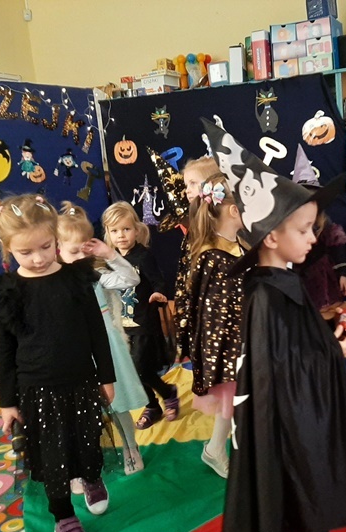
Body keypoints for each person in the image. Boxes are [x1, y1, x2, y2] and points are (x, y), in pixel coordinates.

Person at [203, 119, 346, 532]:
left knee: (315, 476)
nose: (312, 238)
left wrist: (331, 335)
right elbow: (274, 369)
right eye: (304, 230)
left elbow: (300, 342)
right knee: (270, 486)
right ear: (271, 236)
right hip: (276, 419)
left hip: (306, 411)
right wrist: (332, 351)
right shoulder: (265, 296)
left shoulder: (287, 280)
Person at [0, 194, 114, 532]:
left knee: (86, 437)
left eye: (45, 247)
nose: (39, 258)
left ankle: (90, 477)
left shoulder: (75, 279)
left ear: (56, 237)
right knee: (52, 454)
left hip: (81, 381)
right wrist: (7, 402)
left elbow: (96, 331)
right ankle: (64, 516)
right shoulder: (9, 292)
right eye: (26, 253)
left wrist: (106, 376)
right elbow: (3, 351)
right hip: (37, 389)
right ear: (8, 249)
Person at [56, 202, 148, 476]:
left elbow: (131, 279)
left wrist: (109, 254)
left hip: (107, 349)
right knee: (82, 409)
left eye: (85, 251)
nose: (79, 258)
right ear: (58, 248)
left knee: (118, 404)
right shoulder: (56, 281)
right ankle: (88, 458)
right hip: (76, 352)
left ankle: (131, 447)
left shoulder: (97, 276)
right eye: (73, 251)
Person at [186, 173, 245, 479]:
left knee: (234, 402)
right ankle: (216, 449)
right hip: (230, 346)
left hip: (242, 341)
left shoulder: (236, 247)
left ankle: (218, 447)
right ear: (234, 210)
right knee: (231, 400)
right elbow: (214, 312)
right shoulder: (214, 257)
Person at [101, 201, 179, 430]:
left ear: (136, 230)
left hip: (144, 322)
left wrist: (158, 293)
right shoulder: (110, 260)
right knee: (131, 369)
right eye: (115, 231)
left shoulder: (143, 256)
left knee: (138, 368)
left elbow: (158, 281)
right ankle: (158, 399)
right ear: (108, 233)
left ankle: (161, 398)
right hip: (122, 325)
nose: (121, 235)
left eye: (126, 229)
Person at [290, 145, 346, 321]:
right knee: (304, 313)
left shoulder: (326, 223)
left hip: (322, 275)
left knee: (326, 311)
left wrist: (343, 274)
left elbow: (338, 249)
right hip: (299, 276)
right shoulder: (289, 226)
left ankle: (328, 334)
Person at [172, 156, 220, 361]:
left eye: (193, 183)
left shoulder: (217, 222)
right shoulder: (194, 222)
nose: (187, 190)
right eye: (186, 185)